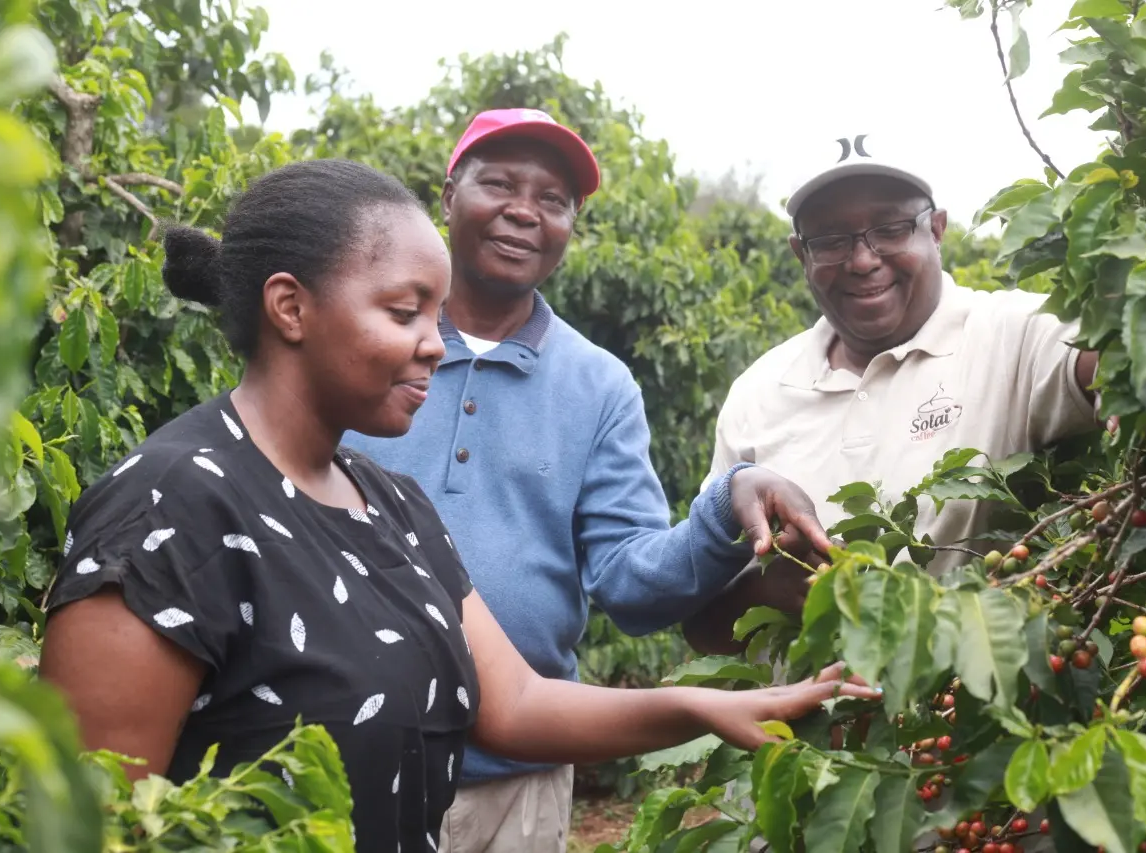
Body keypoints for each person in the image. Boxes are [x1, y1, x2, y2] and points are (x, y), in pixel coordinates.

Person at [36, 159, 880, 853]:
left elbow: (512, 702)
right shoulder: (167, 507)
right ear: (290, 307)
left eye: (434, 315)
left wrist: (705, 707)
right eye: (405, 313)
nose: (436, 345)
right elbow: (91, 821)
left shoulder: (391, 504)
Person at [339, 109, 839, 853]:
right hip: (330, 758)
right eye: (500, 183)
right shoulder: (363, 334)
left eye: (553, 199)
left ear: (573, 224)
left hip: (513, 781)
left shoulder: (598, 385)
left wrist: (729, 504)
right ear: (448, 194)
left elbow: (629, 585)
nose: (523, 210)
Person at [683, 138, 1101, 656]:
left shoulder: (1011, 335)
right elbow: (700, 626)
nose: (862, 260)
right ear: (801, 254)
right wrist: (773, 590)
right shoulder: (757, 393)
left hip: (960, 728)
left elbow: (1113, 364)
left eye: (890, 228)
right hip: (796, 737)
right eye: (832, 239)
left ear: (938, 229)